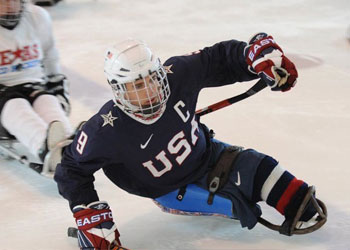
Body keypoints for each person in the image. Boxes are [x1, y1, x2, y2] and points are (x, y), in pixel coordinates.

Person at [54, 34, 327, 249]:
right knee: (238, 203)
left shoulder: (177, 75)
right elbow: (70, 169)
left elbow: (217, 59)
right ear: (118, 90)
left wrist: (253, 57)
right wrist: (88, 214)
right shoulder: (104, 132)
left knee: (288, 189)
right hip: (170, 188)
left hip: (209, 155)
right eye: (136, 86)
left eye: (151, 78)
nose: (149, 90)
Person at [0, 0, 72, 173]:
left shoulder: (37, 17)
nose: (10, 6)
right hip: (3, 94)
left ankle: (70, 147)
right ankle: (44, 147)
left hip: (33, 84)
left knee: (46, 99)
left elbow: (50, 55)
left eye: (13, 1)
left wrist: (57, 86)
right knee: (15, 104)